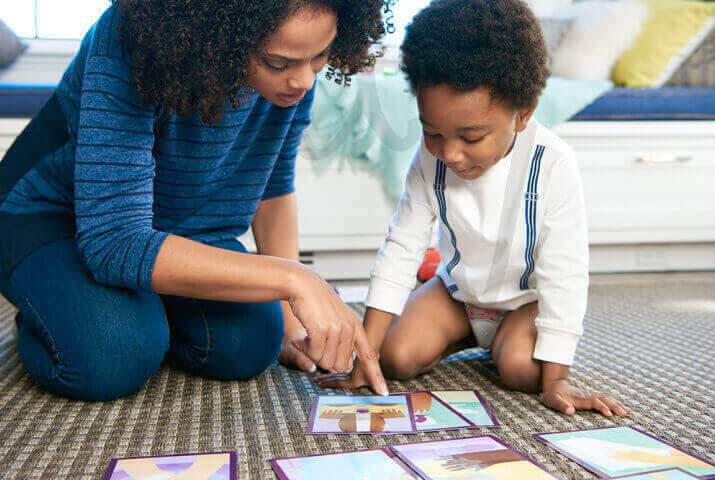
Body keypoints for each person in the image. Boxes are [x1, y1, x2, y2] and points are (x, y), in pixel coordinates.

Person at [0, 0, 391, 402]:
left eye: (320, 56)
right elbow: (113, 241)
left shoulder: (296, 73)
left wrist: (293, 321)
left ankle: (138, 308)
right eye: (278, 63)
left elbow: (272, 184)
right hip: (50, 219)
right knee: (114, 352)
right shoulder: (130, 39)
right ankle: (51, 308)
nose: (304, 80)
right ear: (220, 36)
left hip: (170, 229)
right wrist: (294, 278)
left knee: (251, 343)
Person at [321, 0, 629, 417]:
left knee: (521, 370)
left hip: (524, 301)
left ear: (523, 114)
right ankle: (473, 338)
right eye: (433, 132)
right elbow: (401, 247)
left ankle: (508, 342)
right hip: (458, 296)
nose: (451, 153)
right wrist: (367, 353)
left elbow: (564, 272)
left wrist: (557, 379)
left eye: (471, 136)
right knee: (396, 358)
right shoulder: (429, 159)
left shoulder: (552, 164)